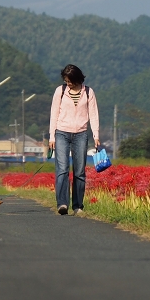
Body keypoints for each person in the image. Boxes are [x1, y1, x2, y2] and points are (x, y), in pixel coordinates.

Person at [48, 64, 100, 215]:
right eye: (66, 80)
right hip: (62, 133)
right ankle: (62, 203)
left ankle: (78, 206)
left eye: (70, 81)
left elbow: (94, 114)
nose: (68, 83)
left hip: (81, 134)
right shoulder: (61, 91)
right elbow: (54, 113)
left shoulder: (89, 92)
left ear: (78, 79)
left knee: (79, 171)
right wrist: (52, 136)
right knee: (62, 169)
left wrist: (96, 135)